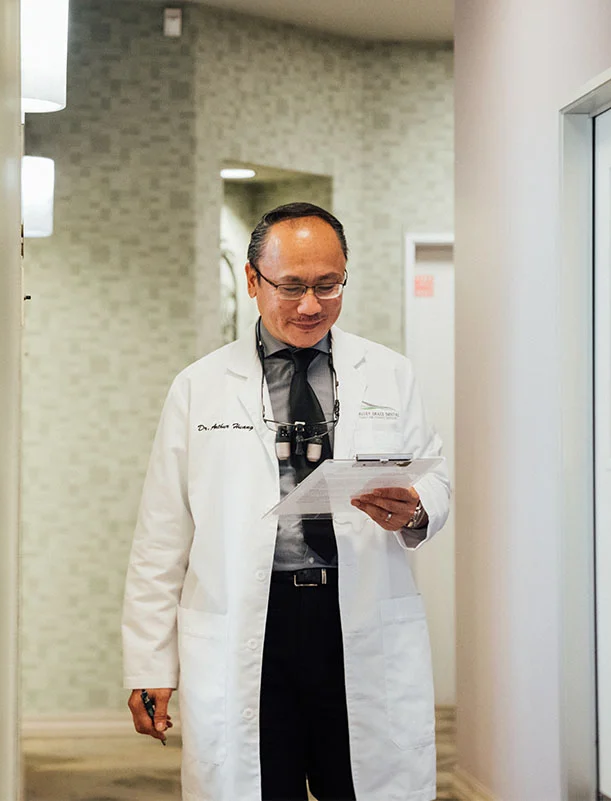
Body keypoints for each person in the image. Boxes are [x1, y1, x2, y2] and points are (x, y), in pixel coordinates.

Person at [122, 202, 450, 801]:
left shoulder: (390, 374)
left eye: (329, 285)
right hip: (252, 625)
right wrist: (150, 666)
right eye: (292, 286)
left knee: (359, 784)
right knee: (258, 784)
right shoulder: (199, 387)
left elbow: (435, 476)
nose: (310, 306)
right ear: (253, 281)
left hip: (354, 621)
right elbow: (161, 538)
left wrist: (419, 507)